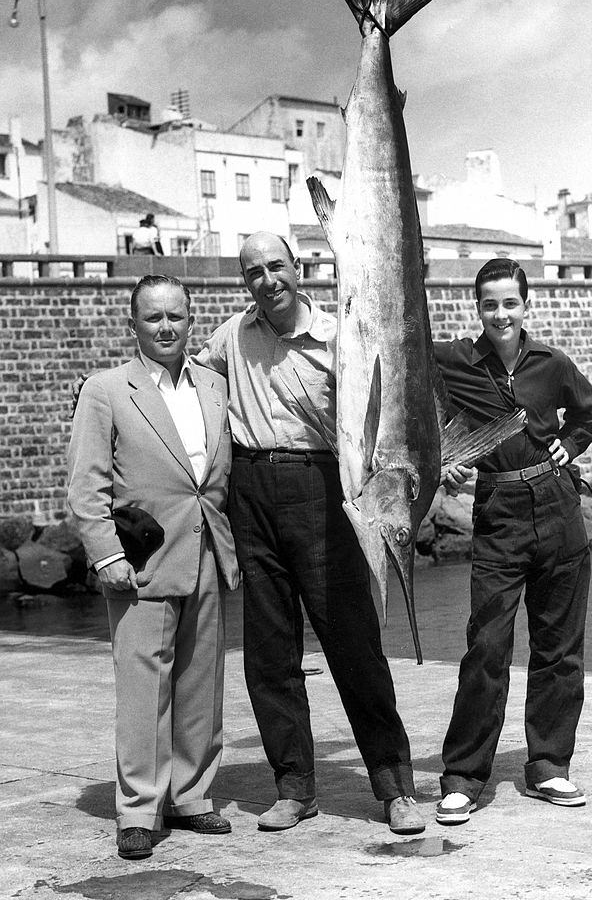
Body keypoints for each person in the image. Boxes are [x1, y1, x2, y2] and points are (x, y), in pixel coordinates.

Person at [195, 231, 425, 835]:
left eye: (276, 267)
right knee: (270, 655)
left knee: (354, 646)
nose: (266, 281)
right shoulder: (230, 336)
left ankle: (394, 787)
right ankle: (294, 787)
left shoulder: (336, 340)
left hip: (322, 490)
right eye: (252, 273)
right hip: (251, 491)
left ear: (298, 268)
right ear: (242, 281)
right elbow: (185, 385)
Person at [68, 274, 238, 859]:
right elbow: (86, 484)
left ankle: (190, 795)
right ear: (133, 324)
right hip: (140, 559)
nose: (166, 328)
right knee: (143, 688)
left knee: (200, 681)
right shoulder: (106, 390)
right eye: (153, 318)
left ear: (192, 319)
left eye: (176, 316)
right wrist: (105, 554)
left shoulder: (214, 387)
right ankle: (139, 807)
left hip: (207, 552)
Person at [432, 257, 592, 825]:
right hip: (498, 512)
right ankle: (462, 775)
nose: (500, 313)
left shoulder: (551, 364)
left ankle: (549, 764)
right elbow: (413, 391)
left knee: (559, 647)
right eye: (489, 303)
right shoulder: (455, 360)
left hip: (557, 508)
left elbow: (585, 410)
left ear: (525, 306)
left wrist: (571, 445)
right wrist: (443, 458)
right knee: (487, 646)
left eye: (510, 302)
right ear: (476, 309)